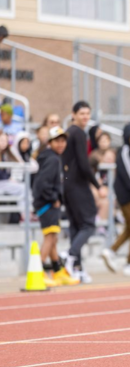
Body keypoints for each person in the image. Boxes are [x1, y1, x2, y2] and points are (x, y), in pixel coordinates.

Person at [33, 127, 79, 287]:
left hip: (47, 203)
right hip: (47, 204)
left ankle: (58, 271)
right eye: (57, 141)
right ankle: (37, 270)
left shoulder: (53, 158)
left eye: (63, 141)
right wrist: (54, 198)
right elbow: (41, 184)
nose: (61, 144)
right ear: (50, 142)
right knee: (50, 237)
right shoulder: (52, 159)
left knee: (54, 238)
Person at [61, 101, 100, 284]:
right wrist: (97, 185)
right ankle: (70, 255)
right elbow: (84, 164)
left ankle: (77, 268)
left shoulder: (70, 133)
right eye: (82, 113)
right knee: (88, 224)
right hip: (77, 184)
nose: (85, 116)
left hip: (69, 185)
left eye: (87, 113)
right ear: (73, 114)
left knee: (76, 227)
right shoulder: (77, 133)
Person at [101, 123, 130, 276]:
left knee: (129, 229)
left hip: (128, 195)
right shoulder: (126, 151)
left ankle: (111, 251)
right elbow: (129, 173)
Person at [0, 132, 26, 217]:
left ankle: (25, 215)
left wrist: (13, 178)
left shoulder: (7, 153)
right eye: (2, 140)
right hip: (2, 183)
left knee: (23, 188)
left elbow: (20, 163)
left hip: (5, 183)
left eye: (6, 140)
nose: (4, 142)